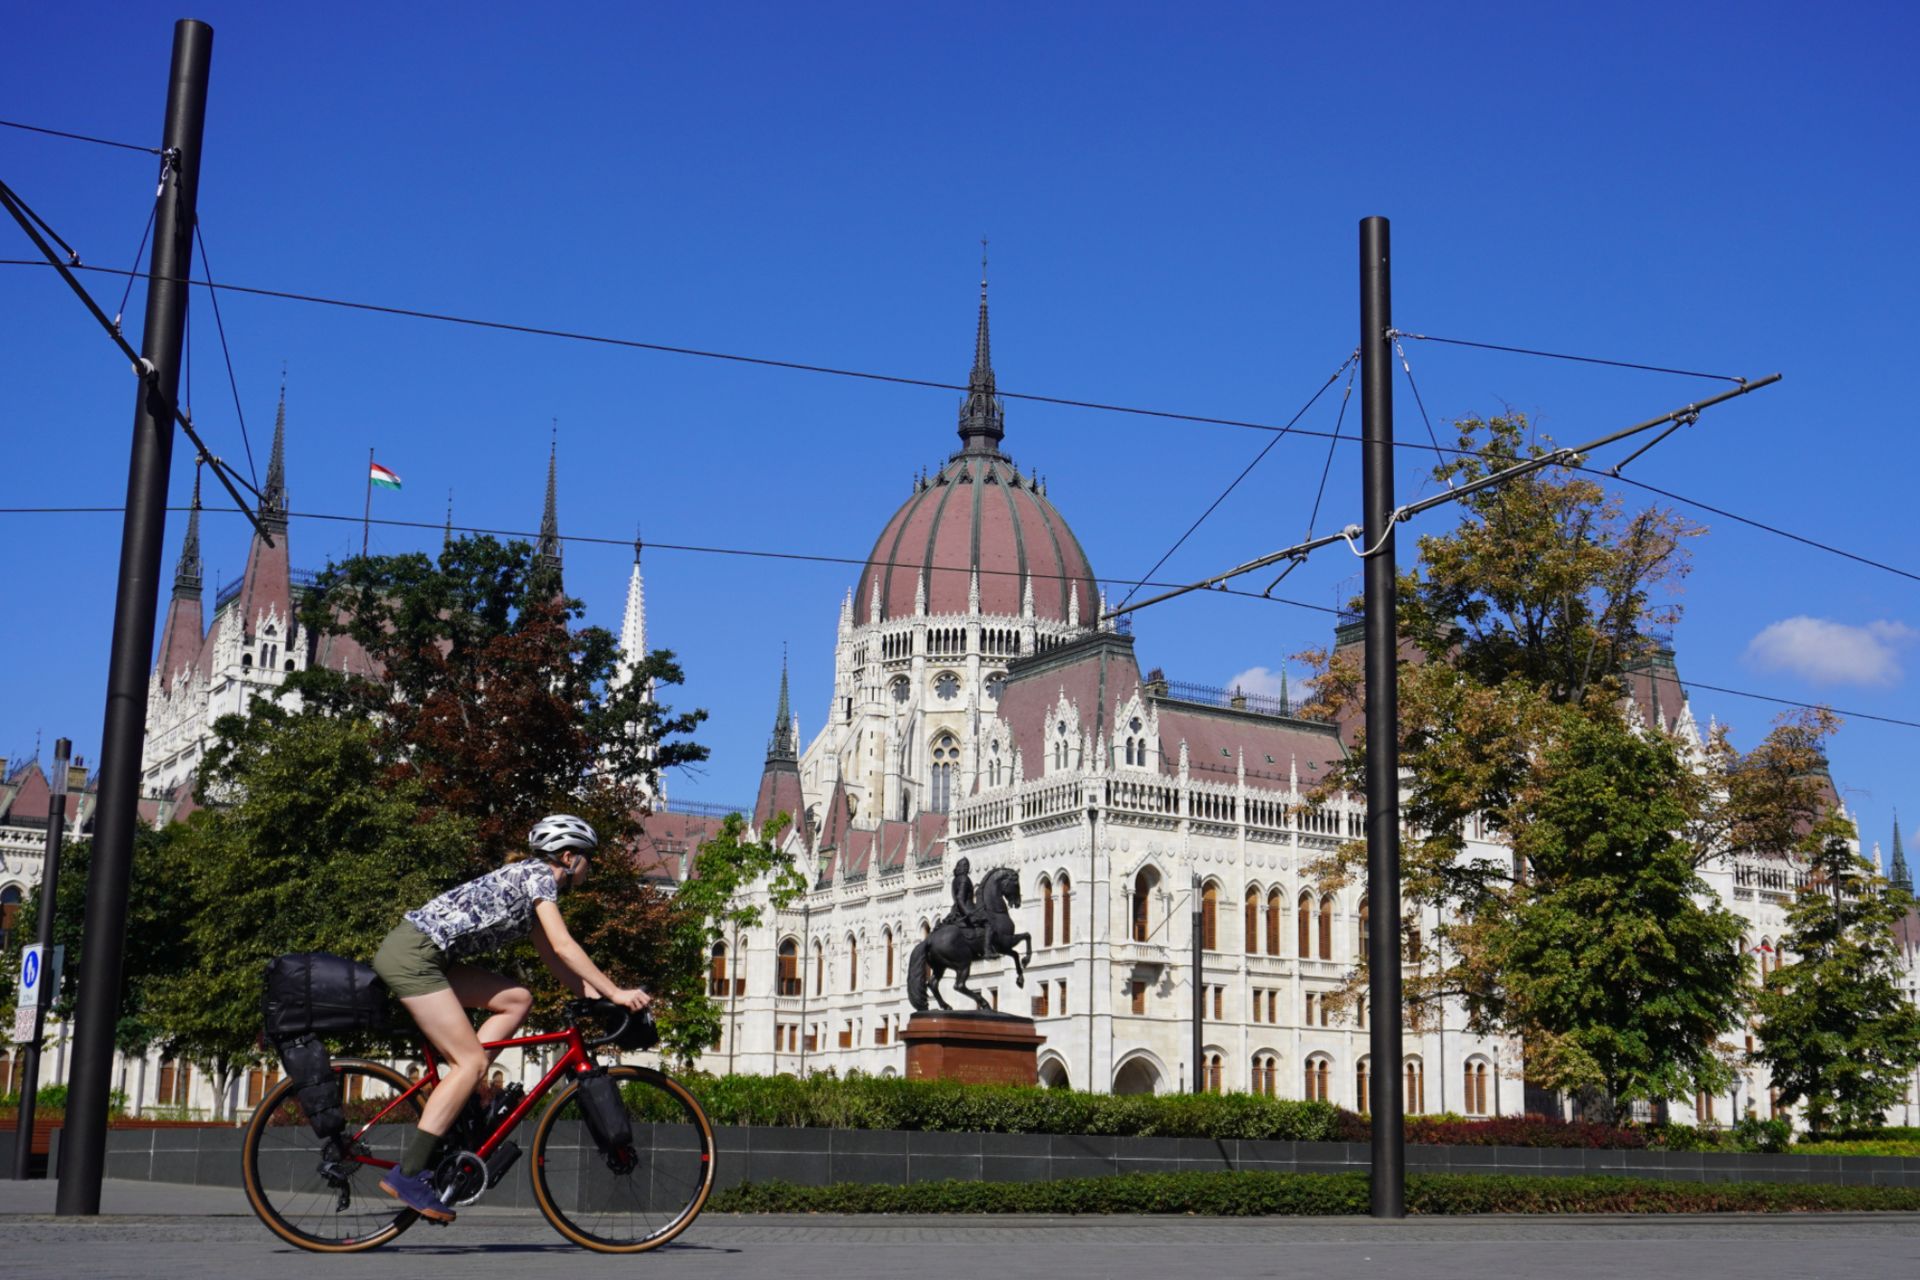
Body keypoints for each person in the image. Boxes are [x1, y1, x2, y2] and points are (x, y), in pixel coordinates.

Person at [369, 813, 650, 1222]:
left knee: (518, 999)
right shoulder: (539, 876)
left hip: (431, 957)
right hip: (415, 958)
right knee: (468, 1062)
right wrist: (617, 991)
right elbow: (566, 946)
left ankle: (469, 1085)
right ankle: (409, 1174)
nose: (592, 866)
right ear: (569, 857)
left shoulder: (530, 882)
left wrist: (598, 1000)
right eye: (590, 858)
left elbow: (555, 960)